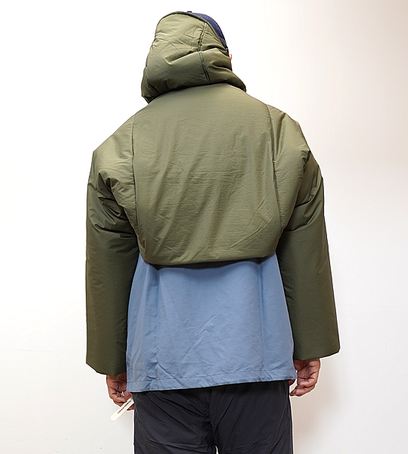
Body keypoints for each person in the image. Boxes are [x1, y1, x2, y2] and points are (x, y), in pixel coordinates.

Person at [86, 11, 340, 454]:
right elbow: (304, 247)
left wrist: (113, 357)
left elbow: (109, 262)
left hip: (162, 364)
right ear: (224, 56)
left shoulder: (122, 143)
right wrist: (308, 343)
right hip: (256, 357)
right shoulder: (277, 130)